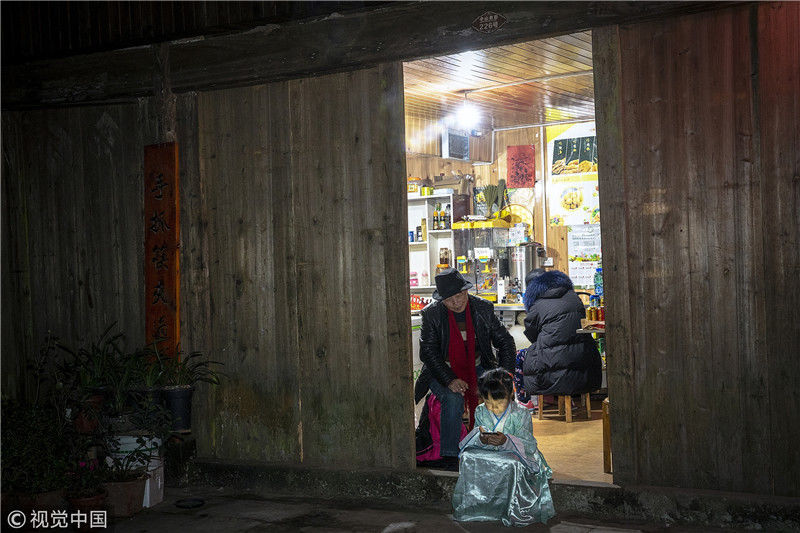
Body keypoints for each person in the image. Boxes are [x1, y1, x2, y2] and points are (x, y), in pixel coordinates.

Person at [414, 268, 516, 471]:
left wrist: (505, 376)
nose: (456, 302)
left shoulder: (483, 308)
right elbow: (428, 353)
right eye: (449, 299)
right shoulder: (431, 314)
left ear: (466, 291)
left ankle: (497, 448)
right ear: (442, 300)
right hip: (441, 370)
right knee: (453, 398)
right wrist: (450, 379)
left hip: (477, 366)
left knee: (496, 393)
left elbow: (505, 342)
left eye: (459, 296)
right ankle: (450, 457)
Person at [452, 368, 555, 526]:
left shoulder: (521, 413)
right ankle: (477, 506)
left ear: (510, 395)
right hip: (488, 450)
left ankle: (509, 508)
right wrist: (482, 439)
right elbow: (477, 432)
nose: (493, 408)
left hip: (517, 454)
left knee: (512, 464)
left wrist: (507, 440)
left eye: (499, 403)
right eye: (488, 403)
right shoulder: (480, 411)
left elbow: (529, 444)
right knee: (467, 457)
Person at [521, 269, 602, 398]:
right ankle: (566, 400)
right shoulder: (574, 298)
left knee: (521, 356)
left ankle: (527, 400)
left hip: (552, 372)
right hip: (585, 365)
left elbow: (532, 334)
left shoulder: (537, 305)